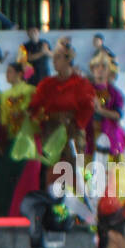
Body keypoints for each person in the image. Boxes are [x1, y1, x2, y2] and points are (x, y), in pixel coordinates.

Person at [29, 44, 95, 189]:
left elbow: (88, 106)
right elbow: (35, 104)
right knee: (53, 167)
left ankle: (78, 201)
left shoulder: (81, 83)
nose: (54, 61)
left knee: (75, 165)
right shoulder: (47, 84)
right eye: (54, 58)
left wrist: (76, 124)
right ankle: (54, 202)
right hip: (51, 130)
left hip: (73, 130)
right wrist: (36, 115)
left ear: (68, 60)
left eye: (57, 58)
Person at [0, 61, 39, 216]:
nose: (7, 75)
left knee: (26, 178)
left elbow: (34, 112)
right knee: (5, 176)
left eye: (10, 71)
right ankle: (6, 211)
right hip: (13, 140)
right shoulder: (4, 95)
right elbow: (5, 122)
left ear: (20, 74)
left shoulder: (31, 91)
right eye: (6, 72)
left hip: (29, 140)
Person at [86, 50, 125, 162]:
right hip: (89, 139)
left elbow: (118, 114)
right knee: (88, 174)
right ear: (92, 69)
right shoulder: (86, 91)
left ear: (109, 70)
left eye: (103, 67)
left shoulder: (115, 93)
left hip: (109, 137)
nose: (99, 70)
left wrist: (100, 111)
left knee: (110, 173)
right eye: (96, 66)